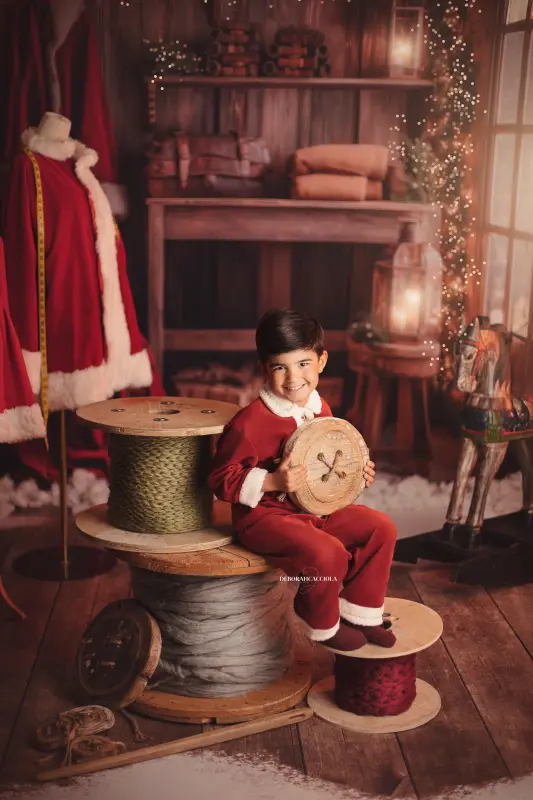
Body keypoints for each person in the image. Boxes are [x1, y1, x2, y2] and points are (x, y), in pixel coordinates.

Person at [208, 309, 397, 652]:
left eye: (303, 364)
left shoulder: (319, 408)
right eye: (280, 366)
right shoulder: (248, 424)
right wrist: (271, 482)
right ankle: (320, 618)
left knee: (380, 528)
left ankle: (360, 614)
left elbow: (331, 457)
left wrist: (355, 473)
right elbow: (220, 479)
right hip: (266, 518)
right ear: (265, 367)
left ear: (322, 360)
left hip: (316, 511)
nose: (293, 377)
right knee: (327, 554)